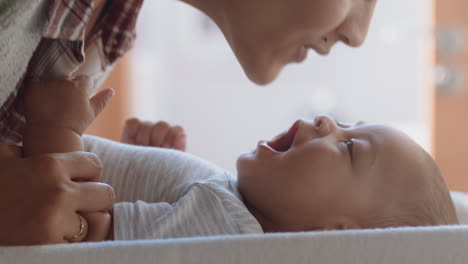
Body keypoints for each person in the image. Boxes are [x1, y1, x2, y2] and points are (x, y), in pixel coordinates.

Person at [0, 0, 377, 245]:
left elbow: (74, 227)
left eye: (350, 147)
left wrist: (129, 181)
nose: (357, 36)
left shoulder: (103, 37)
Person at [22, 77, 458, 241]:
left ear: (335, 236)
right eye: (346, 123)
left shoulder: (229, 228)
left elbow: (74, 243)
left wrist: (55, 130)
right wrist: (148, 165)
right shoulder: (229, 213)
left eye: (349, 148)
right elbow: (130, 235)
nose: (327, 121)